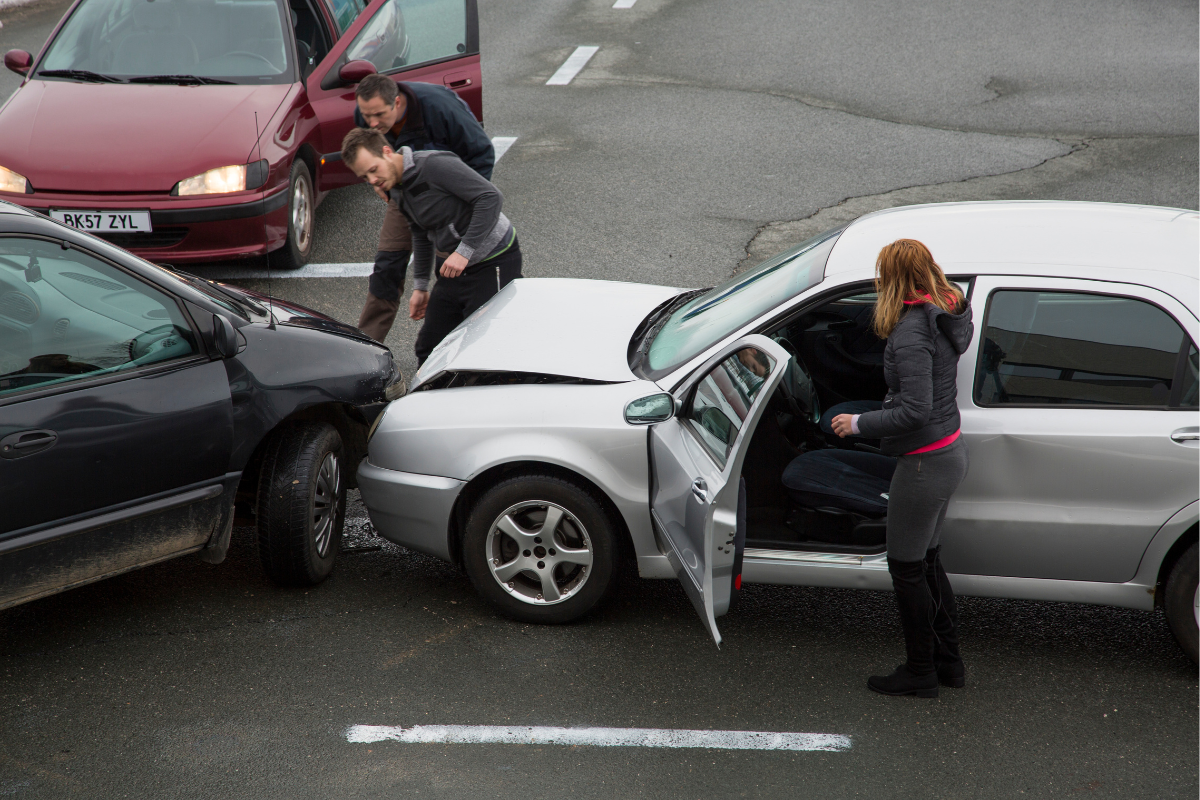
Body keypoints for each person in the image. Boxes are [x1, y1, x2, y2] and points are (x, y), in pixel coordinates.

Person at [830, 239, 973, 698]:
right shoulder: (944, 313)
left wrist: (858, 424)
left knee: (906, 567)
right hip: (947, 453)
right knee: (928, 563)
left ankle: (919, 672)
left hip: (923, 464)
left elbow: (914, 409)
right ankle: (948, 664)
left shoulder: (912, 331)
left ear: (892, 278)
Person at [341, 127, 522, 364]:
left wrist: (464, 251)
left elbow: (490, 197)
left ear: (387, 152)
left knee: (481, 345)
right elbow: (420, 231)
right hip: (454, 266)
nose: (373, 181)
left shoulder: (434, 165)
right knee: (429, 347)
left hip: (492, 259)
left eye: (373, 170)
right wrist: (421, 286)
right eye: (365, 177)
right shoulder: (396, 187)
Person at [352, 73, 495, 343]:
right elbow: (366, 153)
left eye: (379, 115)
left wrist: (462, 206)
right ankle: (365, 350)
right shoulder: (368, 114)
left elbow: (482, 154)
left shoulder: (441, 108)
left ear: (396, 102)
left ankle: (466, 347)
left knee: (452, 274)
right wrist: (380, 185)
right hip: (404, 195)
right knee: (387, 267)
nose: (372, 123)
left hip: (449, 197)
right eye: (365, 115)